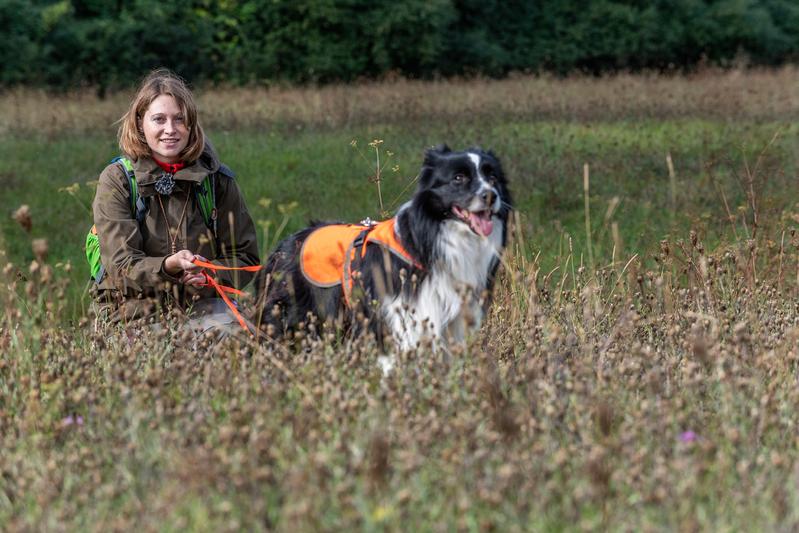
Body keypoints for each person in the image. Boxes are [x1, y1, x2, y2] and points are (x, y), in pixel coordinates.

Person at [91, 69, 259, 335]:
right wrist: (168, 266)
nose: (170, 130)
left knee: (245, 346)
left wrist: (210, 275)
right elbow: (120, 266)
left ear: (191, 125)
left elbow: (246, 257)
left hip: (204, 305)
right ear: (139, 123)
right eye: (159, 119)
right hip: (132, 312)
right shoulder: (118, 180)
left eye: (179, 119)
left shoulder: (217, 180)